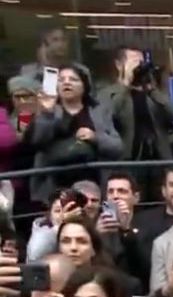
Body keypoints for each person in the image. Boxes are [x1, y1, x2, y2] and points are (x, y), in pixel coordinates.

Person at [27, 63, 124, 204]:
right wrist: (47, 113)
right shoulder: (46, 110)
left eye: (73, 79)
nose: (66, 83)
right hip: (55, 185)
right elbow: (37, 142)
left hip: (95, 183)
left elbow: (118, 147)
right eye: (61, 80)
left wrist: (95, 137)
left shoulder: (99, 111)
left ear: (85, 85)